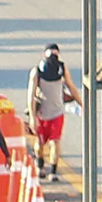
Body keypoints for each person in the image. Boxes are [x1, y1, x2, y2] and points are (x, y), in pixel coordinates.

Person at [25, 42, 81, 183]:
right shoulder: (37, 71)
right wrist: (32, 117)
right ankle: (40, 165)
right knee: (40, 142)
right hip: (42, 113)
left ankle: (53, 171)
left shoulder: (61, 68)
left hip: (57, 112)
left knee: (55, 142)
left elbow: (71, 85)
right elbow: (31, 95)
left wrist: (82, 103)